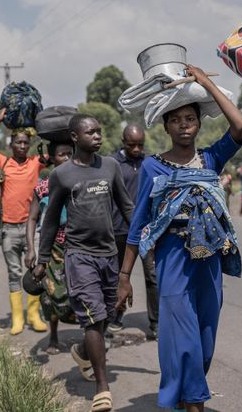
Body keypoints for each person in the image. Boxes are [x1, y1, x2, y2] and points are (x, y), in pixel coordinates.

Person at [116, 65, 242, 412]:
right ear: (166, 126)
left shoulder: (210, 159)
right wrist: (125, 277)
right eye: (176, 120)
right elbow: (139, 223)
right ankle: (193, 403)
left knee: (204, 340)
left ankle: (189, 395)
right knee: (183, 340)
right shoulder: (152, 167)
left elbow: (239, 126)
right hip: (172, 259)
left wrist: (205, 84)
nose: (184, 125)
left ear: (199, 123)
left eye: (190, 118)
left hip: (209, 263)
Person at [34, 114, 134, 412]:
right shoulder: (62, 175)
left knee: (104, 316)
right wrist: (41, 260)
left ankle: (82, 349)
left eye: (100, 132)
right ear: (75, 137)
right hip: (78, 255)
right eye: (91, 132)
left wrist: (148, 241)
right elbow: (50, 220)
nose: (98, 136)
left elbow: (127, 207)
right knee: (91, 317)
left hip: (109, 255)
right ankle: (102, 388)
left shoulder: (110, 166)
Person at [0, 108, 46, 336]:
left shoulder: (36, 163)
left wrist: (40, 125)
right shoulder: (3, 163)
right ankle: (17, 318)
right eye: (18, 143)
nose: (21, 146)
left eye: (25, 143)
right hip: (8, 229)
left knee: (36, 271)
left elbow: (55, 150)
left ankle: (34, 314)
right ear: (11, 145)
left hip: (31, 229)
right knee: (14, 273)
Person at [107, 124, 159, 338]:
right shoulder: (111, 164)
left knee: (153, 277)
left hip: (146, 231)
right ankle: (116, 317)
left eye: (140, 145)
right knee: (119, 276)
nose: (137, 149)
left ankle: (156, 323)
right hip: (119, 229)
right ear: (123, 142)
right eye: (132, 145)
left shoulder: (149, 163)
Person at [24, 139, 74, 355]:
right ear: (52, 158)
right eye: (63, 154)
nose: (67, 158)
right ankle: (53, 337)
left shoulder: (81, 180)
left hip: (78, 245)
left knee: (81, 291)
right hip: (52, 247)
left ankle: (90, 339)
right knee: (50, 293)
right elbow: (32, 218)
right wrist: (31, 248)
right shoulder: (43, 186)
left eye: (71, 153)